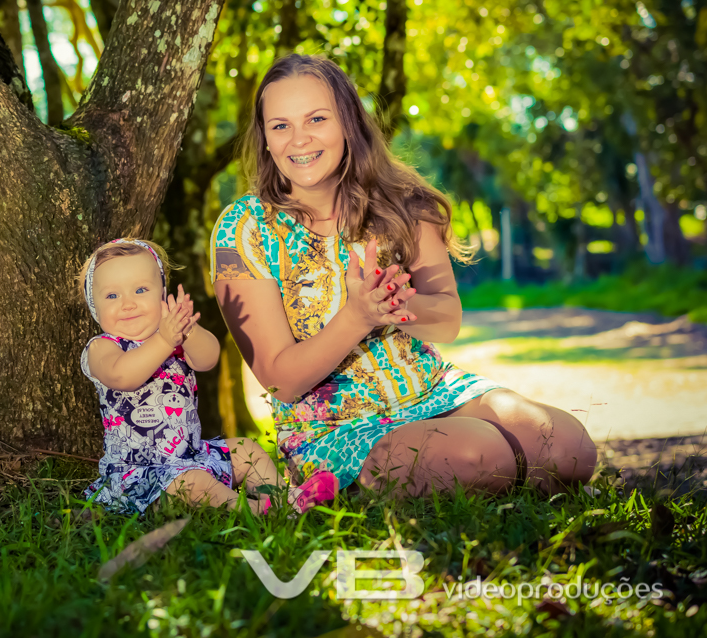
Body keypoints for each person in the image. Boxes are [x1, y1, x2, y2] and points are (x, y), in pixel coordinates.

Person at [211, 54, 597, 497]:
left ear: (348, 122)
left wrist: (394, 304)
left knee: (572, 449)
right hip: (334, 429)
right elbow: (281, 380)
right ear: (264, 137)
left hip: (435, 391)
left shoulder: (401, 202)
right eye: (280, 126)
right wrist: (357, 316)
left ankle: (486, 475)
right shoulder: (244, 229)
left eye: (316, 118)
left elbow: (447, 319)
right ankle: (353, 487)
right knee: (481, 454)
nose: (298, 140)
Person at [78, 238, 338, 515]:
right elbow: (122, 376)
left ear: (162, 295)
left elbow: (208, 358)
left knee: (246, 450)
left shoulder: (175, 339)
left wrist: (188, 330)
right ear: (94, 305)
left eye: (140, 290)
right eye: (112, 296)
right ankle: (256, 512)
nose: (128, 304)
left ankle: (282, 498)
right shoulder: (102, 347)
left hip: (192, 456)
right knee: (196, 484)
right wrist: (166, 340)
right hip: (140, 477)